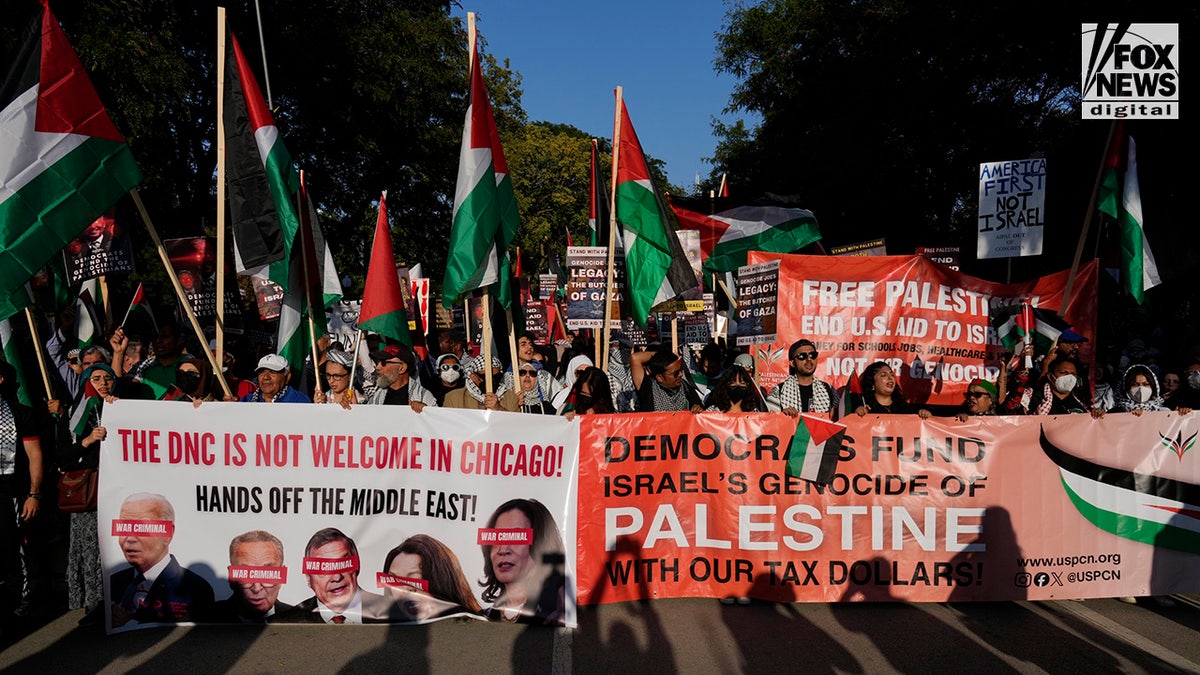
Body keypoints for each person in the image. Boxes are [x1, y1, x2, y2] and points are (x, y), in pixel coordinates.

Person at [109, 493, 215, 626]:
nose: (130, 538)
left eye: (143, 528)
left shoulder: (196, 589)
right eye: (125, 527)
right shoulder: (114, 582)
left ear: (168, 534)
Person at [0, 362, 45, 620]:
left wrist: (33, 494)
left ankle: (21, 604)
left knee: (13, 550)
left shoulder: (20, 414)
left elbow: (34, 455)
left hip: (10, 492)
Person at [273, 528, 392, 624]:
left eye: (343, 564)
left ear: (357, 566)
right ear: (309, 579)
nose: (336, 577)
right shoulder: (284, 623)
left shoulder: (392, 614)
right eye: (324, 569)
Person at [479, 498, 567, 625]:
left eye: (517, 537)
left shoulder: (559, 617)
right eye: (498, 538)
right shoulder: (482, 619)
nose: (503, 550)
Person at [381, 534, 482, 622]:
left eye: (415, 578)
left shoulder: (482, 634)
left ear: (443, 581)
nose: (401, 592)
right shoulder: (380, 636)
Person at [212, 530, 293, 623]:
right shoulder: (203, 620)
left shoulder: (300, 621)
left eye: (267, 574)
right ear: (231, 577)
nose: (257, 588)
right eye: (246, 574)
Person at [766, 339, 838, 418]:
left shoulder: (828, 390)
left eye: (812, 355)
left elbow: (842, 420)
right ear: (792, 363)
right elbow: (770, 422)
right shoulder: (778, 391)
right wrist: (783, 416)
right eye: (802, 356)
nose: (809, 359)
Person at [1023, 356, 1103, 417]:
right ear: (1050, 377)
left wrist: (1096, 414)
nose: (1069, 377)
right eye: (1064, 373)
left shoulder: (1082, 402)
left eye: (1073, 374)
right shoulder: (1033, 397)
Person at [363, 344, 436, 411]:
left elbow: (435, 422)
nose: (378, 367)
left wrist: (426, 411)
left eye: (384, 363)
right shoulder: (376, 395)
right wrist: (354, 409)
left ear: (402, 368)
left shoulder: (423, 396)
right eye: (377, 362)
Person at [631, 348, 702, 413]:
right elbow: (635, 358)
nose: (680, 374)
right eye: (676, 373)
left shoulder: (685, 387)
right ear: (660, 377)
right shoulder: (648, 388)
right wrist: (659, 355)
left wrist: (697, 408)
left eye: (681, 370)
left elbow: (699, 407)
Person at [853, 361, 931, 418]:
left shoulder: (904, 408)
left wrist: (924, 417)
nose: (890, 378)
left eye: (892, 374)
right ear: (872, 383)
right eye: (883, 375)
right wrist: (858, 416)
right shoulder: (866, 408)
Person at [130, 321, 189, 392]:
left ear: (179, 340)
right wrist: (118, 353)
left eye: (165, 336)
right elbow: (124, 390)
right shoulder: (143, 366)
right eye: (155, 336)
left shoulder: (189, 366)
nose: (158, 341)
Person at [443, 355, 519, 411]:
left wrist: (499, 409)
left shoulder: (511, 398)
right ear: (473, 376)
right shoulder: (453, 398)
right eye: (484, 376)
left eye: (496, 376)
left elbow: (515, 425)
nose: (491, 380)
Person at [1112, 364, 1191, 416]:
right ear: (1126, 388)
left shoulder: (1164, 412)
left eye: (1146, 384)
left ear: (1154, 387)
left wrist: (1181, 414)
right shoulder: (1115, 413)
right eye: (1135, 384)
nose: (1141, 388)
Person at [239, 354, 311, 403]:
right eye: (261, 372)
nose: (266, 377)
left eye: (272, 372)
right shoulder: (247, 400)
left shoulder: (299, 401)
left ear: (287, 377)